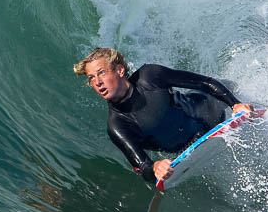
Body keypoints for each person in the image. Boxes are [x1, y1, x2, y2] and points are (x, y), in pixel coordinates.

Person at [74, 47, 253, 184]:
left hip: (212, 106)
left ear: (120, 70)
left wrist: (234, 103)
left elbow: (205, 82)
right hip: (191, 146)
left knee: (247, 95)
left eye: (101, 73)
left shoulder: (150, 76)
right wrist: (156, 168)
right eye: (91, 78)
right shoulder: (118, 125)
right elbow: (142, 166)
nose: (97, 82)